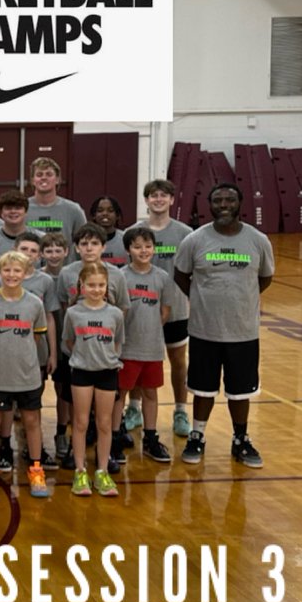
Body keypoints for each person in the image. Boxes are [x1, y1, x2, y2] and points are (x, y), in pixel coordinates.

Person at [174, 183, 275, 468]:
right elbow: (181, 275)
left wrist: (240, 300)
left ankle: (240, 439)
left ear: (240, 203)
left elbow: (265, 278)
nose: (224, 204)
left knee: (240, 390)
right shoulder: (195, 240)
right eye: (217, 200)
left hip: (243, 332)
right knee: (202, 389)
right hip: (204, 330)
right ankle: (197, 435)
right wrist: (203, 299)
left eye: (230, 199)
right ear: (210, 205)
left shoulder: (258, 240)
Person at [0, 251, 50, 499]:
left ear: (26, 273)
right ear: (0, 272)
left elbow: (36, 336)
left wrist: (21, 357)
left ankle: (36, 470)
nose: (12, 275)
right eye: (7, 270)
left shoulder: (35, 304)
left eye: (17, 270)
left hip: (27, 377)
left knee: (31, 422)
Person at [135, 179, 194, 438]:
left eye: (163, 195)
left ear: (172, 200)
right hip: (141, 310)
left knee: (178, 362)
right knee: (136, 361)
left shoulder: (186, 233)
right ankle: (134, 408)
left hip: (177, 309)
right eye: (153, 195)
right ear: (146, 201)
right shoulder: (135, 231)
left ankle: (181, 410)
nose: (158, 199)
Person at [62, 261, 125, 497]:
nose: (97, 289)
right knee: (80, 422)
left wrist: (107, 358)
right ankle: (80, 471)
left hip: (108, 372)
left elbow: (119, 341)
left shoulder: (115, 313)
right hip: (81, 371)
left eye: (101, 285)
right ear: (82, 286)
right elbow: (68, 341)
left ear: (107, 286)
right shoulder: (73, 313)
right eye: (91, 285)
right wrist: (83, 357)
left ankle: (101, 472)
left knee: (105, 423)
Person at [119, 227, 173, 463]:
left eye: (148, 246)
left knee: (150, 393)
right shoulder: (121, 276)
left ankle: (150, 438)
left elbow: (164, 312)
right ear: (128, 250)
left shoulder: (161, 277)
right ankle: (114, 437)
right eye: (137, 246)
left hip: (152, 348)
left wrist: (149, 332)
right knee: (119, 395)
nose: (143, 250)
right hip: (126, 348)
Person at [25, 157, 86, 256]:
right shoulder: (22, 209)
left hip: (64, 269)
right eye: (39, 174)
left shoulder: (73, 210)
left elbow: (84, 243)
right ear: (32, 180)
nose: (44, 178)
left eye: (49, 174)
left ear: (57, 179)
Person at [0, 191, 43, 259]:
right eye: (8, 208)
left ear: (26, 212)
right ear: (1, 213)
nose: (13, 211)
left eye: (18, 208)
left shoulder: (41, 238)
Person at [90, 195, 128, 267]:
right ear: (94, 215)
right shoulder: (84, 241)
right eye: (100, 210)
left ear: (117, 216)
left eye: (110, 210)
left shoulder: (126, 239)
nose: (105, 214)